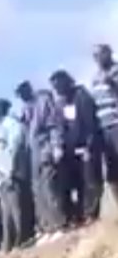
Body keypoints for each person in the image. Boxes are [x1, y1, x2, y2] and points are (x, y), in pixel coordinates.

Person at [17, 80, 69, 241]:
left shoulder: (43, 101)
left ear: (29, 89)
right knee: (38, 190)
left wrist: (56, 146)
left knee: (49, 188)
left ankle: (59, 224)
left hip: (45, 147)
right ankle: (47, 227)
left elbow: (54, 125)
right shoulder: (25, 108)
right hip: (33, 152)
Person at [51, 70, 104, 224]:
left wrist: (88, 146)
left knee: (91, 181)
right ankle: (77, 215)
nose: (57, 90)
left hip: (88, 145)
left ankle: (91, 214)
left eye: (58, 86)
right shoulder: (60, 104)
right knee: (73, 183)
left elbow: (91, 124)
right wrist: (59, 147)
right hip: (70, 150)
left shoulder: (82, 96)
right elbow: (60, 126)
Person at [0, 98, 28, 251]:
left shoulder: (11, 124)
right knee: (6, 213)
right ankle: (8, 244)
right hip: (3, 176)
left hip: (11, 173)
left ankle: (23, 240)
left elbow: (14, 148)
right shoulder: (2, 127)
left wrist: (9, 171)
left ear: (0, 109)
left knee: (16, 209)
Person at [93, 44, 118, 205]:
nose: (97, 58)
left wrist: (113, 84)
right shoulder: (95, 78)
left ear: (108, 54)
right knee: (112, 173)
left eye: (100, 54)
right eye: (94, 56)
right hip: (103, 128)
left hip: (116, 124)